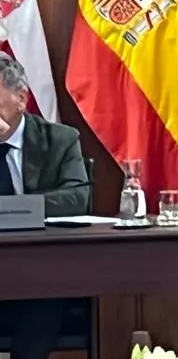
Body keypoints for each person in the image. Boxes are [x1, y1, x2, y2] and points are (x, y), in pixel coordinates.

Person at [0, 53, 90, 359]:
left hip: (41, 269)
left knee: (45, 299)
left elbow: (77, 198)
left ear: (21, 98)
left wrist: (16, 208)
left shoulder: (60, 140)